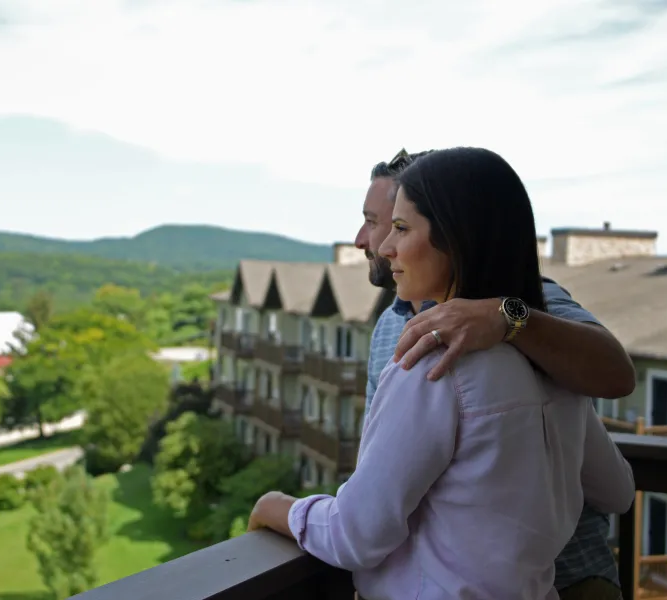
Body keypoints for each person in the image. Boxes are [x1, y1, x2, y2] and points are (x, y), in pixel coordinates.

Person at [247, 148, 636, 599]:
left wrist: (277, 508)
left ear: (455, 236)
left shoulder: (438, 356)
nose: (380, 245)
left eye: (400, 227)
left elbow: (357, 533)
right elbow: (619, 490)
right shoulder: (553, 365)